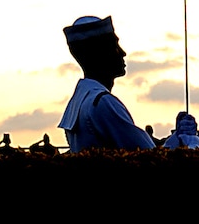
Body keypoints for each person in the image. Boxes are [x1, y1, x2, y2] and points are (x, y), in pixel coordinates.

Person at [58, 15, 155, 152]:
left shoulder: (80, 101)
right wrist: (187, 142)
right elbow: (147, 154)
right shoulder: (102, 102)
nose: (123, 52)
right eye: (114, 46)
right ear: (98, 54)